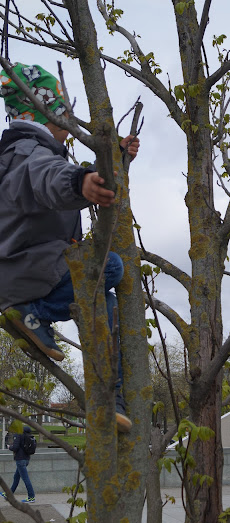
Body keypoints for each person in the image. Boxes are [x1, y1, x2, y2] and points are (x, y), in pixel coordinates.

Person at [0, 62, 140, 433]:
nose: (70, 120)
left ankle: (111, 399)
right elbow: (45, 177)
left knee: (103, 298)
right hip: (25, 273)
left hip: (30, 267)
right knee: (108, 267)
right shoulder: (26, 152)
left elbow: (59, 177)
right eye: (64, 111)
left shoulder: (28, 150)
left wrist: (115, 164)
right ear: (43, 112)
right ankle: (33, 312)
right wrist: (80, 183)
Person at [0, 425, 36, 503]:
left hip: (20, 459)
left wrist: (10, 447)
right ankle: (8, 494)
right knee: (16, 477)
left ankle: (31, 497)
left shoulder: (18, 434)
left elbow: (15, 447)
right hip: (26, 459)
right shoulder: (28, 435)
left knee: (25, 479)